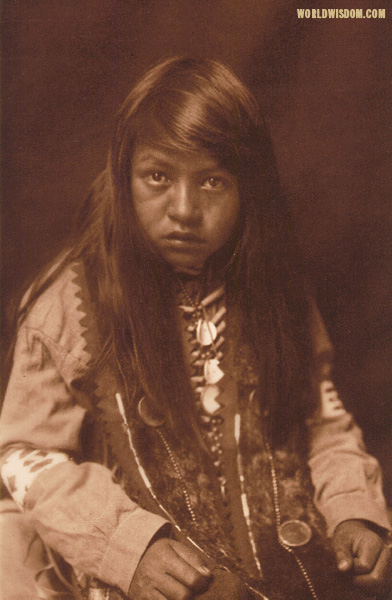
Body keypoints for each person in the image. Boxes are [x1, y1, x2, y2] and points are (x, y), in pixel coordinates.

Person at [0, 57, 391, 600]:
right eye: (158, 177)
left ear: (248, 189)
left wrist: (353, 511)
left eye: (211, 181)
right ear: (124, 177)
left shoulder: (277, 293)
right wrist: (126, 547)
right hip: (137, 560)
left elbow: (320, 422)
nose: (183, 209)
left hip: (272, 546)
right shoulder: (68, 301)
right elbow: (25, 455)